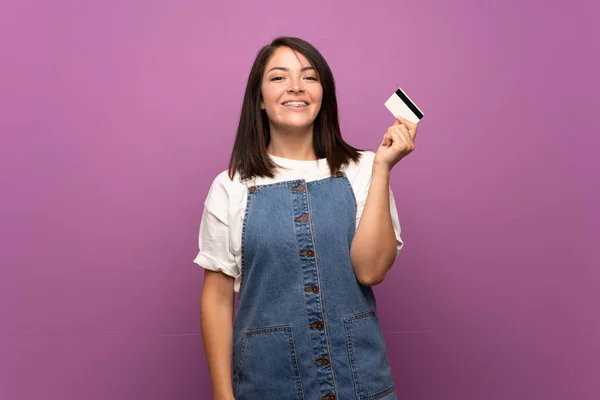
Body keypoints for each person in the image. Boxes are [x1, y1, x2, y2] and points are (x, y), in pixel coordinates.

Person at [195, 36, 418, 400]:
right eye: (279, 77)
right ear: (260, 100)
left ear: (323, 94)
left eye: (309, 77)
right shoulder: (231, 186)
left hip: (360, 384)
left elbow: (371, 271)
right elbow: (217, 299)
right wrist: (223, 396)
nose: (295, 86)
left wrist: (382, 169)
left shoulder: (363, 170)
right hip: (266, 386)